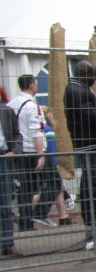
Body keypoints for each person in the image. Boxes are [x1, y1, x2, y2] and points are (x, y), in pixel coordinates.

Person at [63, 60, 96, 241]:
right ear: (84, 74)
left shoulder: (79, 89)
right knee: (94, 181)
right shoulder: (77, 90)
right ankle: (95, 220)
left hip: (93, 142)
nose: (95, 78)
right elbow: (88, 115)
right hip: (90, 143)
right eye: (93, 75)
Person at [7, 74, 46, 231]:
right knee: (46, 183)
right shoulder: (32, 106)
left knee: (24, 187)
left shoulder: (11, 103)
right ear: (31, 85)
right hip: (30, 150)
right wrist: (41, 154)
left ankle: (25, 220)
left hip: (17, 150)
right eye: (36, 83)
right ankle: (32, 216)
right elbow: (36, 132)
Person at [0, 87, 19, 257]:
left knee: (5, 204)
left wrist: (14, 151)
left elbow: (17, 135)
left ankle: (8, 244)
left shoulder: (7, 111)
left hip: (4, 160)